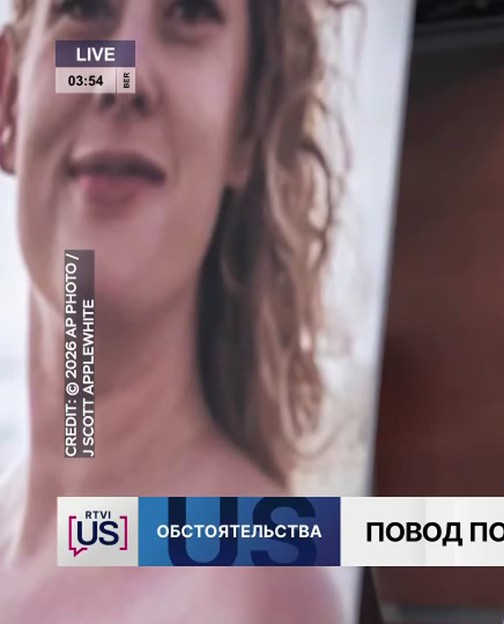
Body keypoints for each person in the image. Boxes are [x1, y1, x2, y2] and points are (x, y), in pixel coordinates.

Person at [0, 1, 356, 621]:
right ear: (8, 99)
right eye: (85, 8)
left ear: (247, 124)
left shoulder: (262, 590)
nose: (123, 73)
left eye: (190, 14)